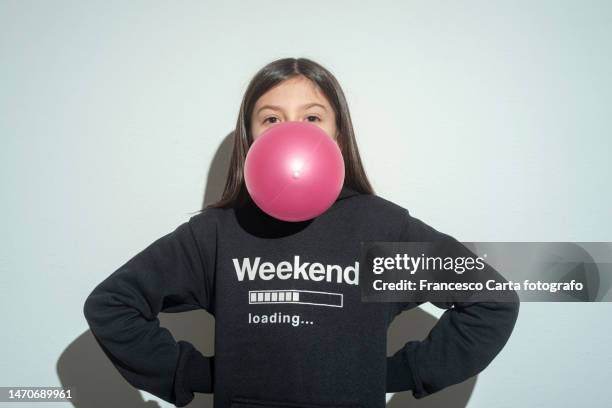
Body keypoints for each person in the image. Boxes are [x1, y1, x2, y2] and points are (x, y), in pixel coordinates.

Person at [83, 57, 520, 408]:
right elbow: (112, 305)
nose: (291, 131)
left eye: (312, 117)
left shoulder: (382, 229)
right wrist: (198, 374)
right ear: (250, 137)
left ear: (337, 132)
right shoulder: (216, 233)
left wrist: (393, 372)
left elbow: (490, 300)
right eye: (271, 119)